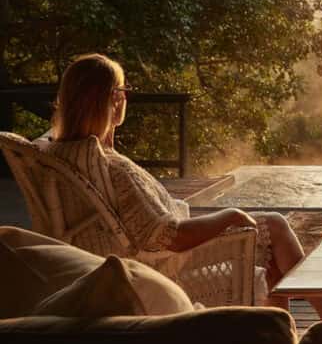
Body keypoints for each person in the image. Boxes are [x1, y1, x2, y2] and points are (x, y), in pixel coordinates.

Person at [46, 53, 304, 301]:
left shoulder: (57, 155)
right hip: (161, 271)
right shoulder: (113, 168)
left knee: (272, 254)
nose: (127, 98)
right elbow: (173, 237)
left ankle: (290, 333)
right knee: (275, 226)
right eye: (125, 91)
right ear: (115, 99)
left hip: (112, 266)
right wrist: (230, 215)